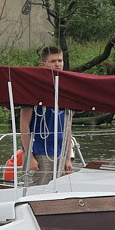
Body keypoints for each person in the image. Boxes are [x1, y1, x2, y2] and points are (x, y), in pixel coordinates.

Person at [19, 46, 73, 185]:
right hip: (40, 151)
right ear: (43, 65)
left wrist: (68, 158)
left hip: (60, 151)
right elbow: (24, 125)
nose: (57, 64)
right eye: (53, 61)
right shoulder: (33, 89)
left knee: (59, 188)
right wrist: (29, 156)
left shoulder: (66, 89)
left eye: (60, 60)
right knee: (41, 188)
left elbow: (67, 126)